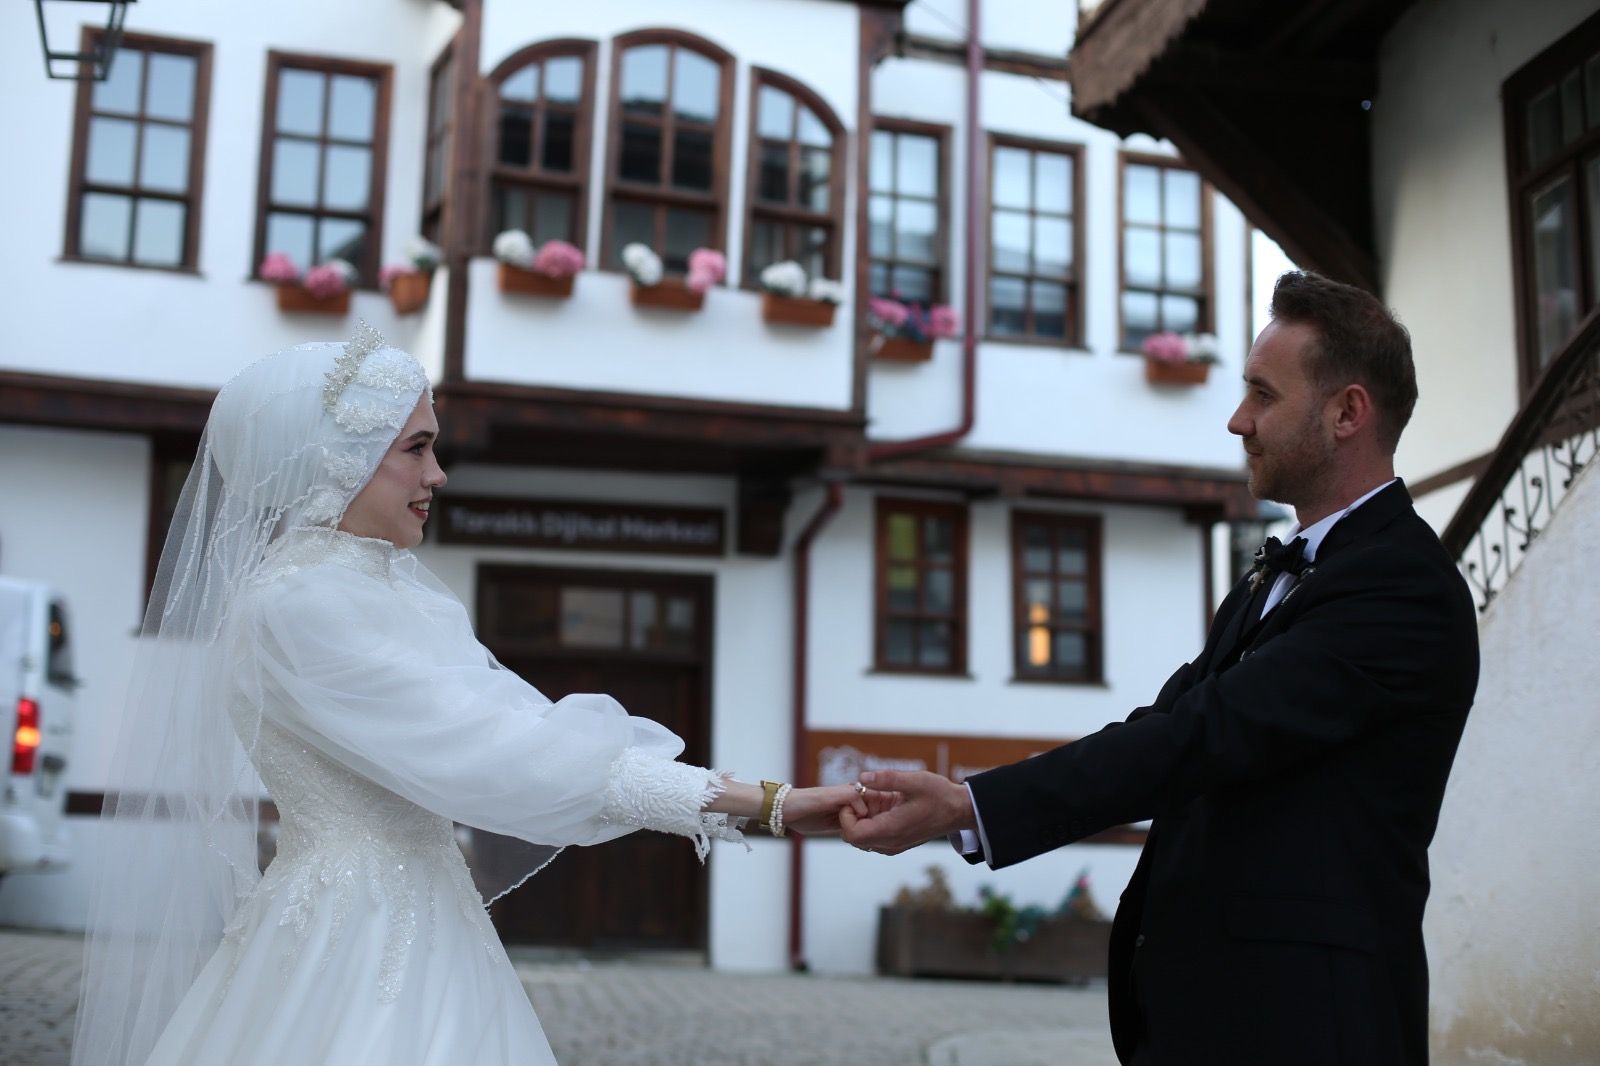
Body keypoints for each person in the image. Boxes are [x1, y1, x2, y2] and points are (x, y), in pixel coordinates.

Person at [71, 325, 876, 1066]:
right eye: (416, 448)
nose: (438, 474)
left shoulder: (377, 588)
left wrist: (760, 802)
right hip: (360, 934)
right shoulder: (301, 605)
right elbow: (511, 752)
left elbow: (516, 728)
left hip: (418, 912)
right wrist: (767, 803)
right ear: (336, 458)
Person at [840, 271, 1480, 1065]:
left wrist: (969, 807)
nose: (1238, 420)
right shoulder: (1276, 576)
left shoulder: (1403, 586)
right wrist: (966, 803)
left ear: (1348, 412)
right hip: (1212, 1023)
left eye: (1262, 395)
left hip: (1307, 1026)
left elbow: (1203, 736)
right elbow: (1163, 724)